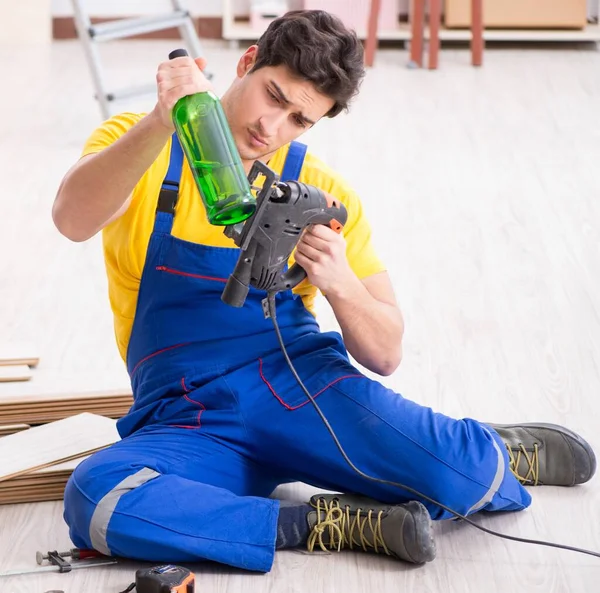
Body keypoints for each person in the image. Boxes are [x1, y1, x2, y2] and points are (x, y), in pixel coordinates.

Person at [53, 10, 595, 572]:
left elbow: (385, 351)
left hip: (299, 391)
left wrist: (337, 280)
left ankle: (489, 450)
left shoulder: (321, 195)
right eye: (272, 95)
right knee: (96, 496)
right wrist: (161, 123)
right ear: (245, 63)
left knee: (462, 478)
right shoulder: (139, 145)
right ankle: (322, 523)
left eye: (298, 120)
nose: (272, 128)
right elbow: (71, 219)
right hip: (185, 416)